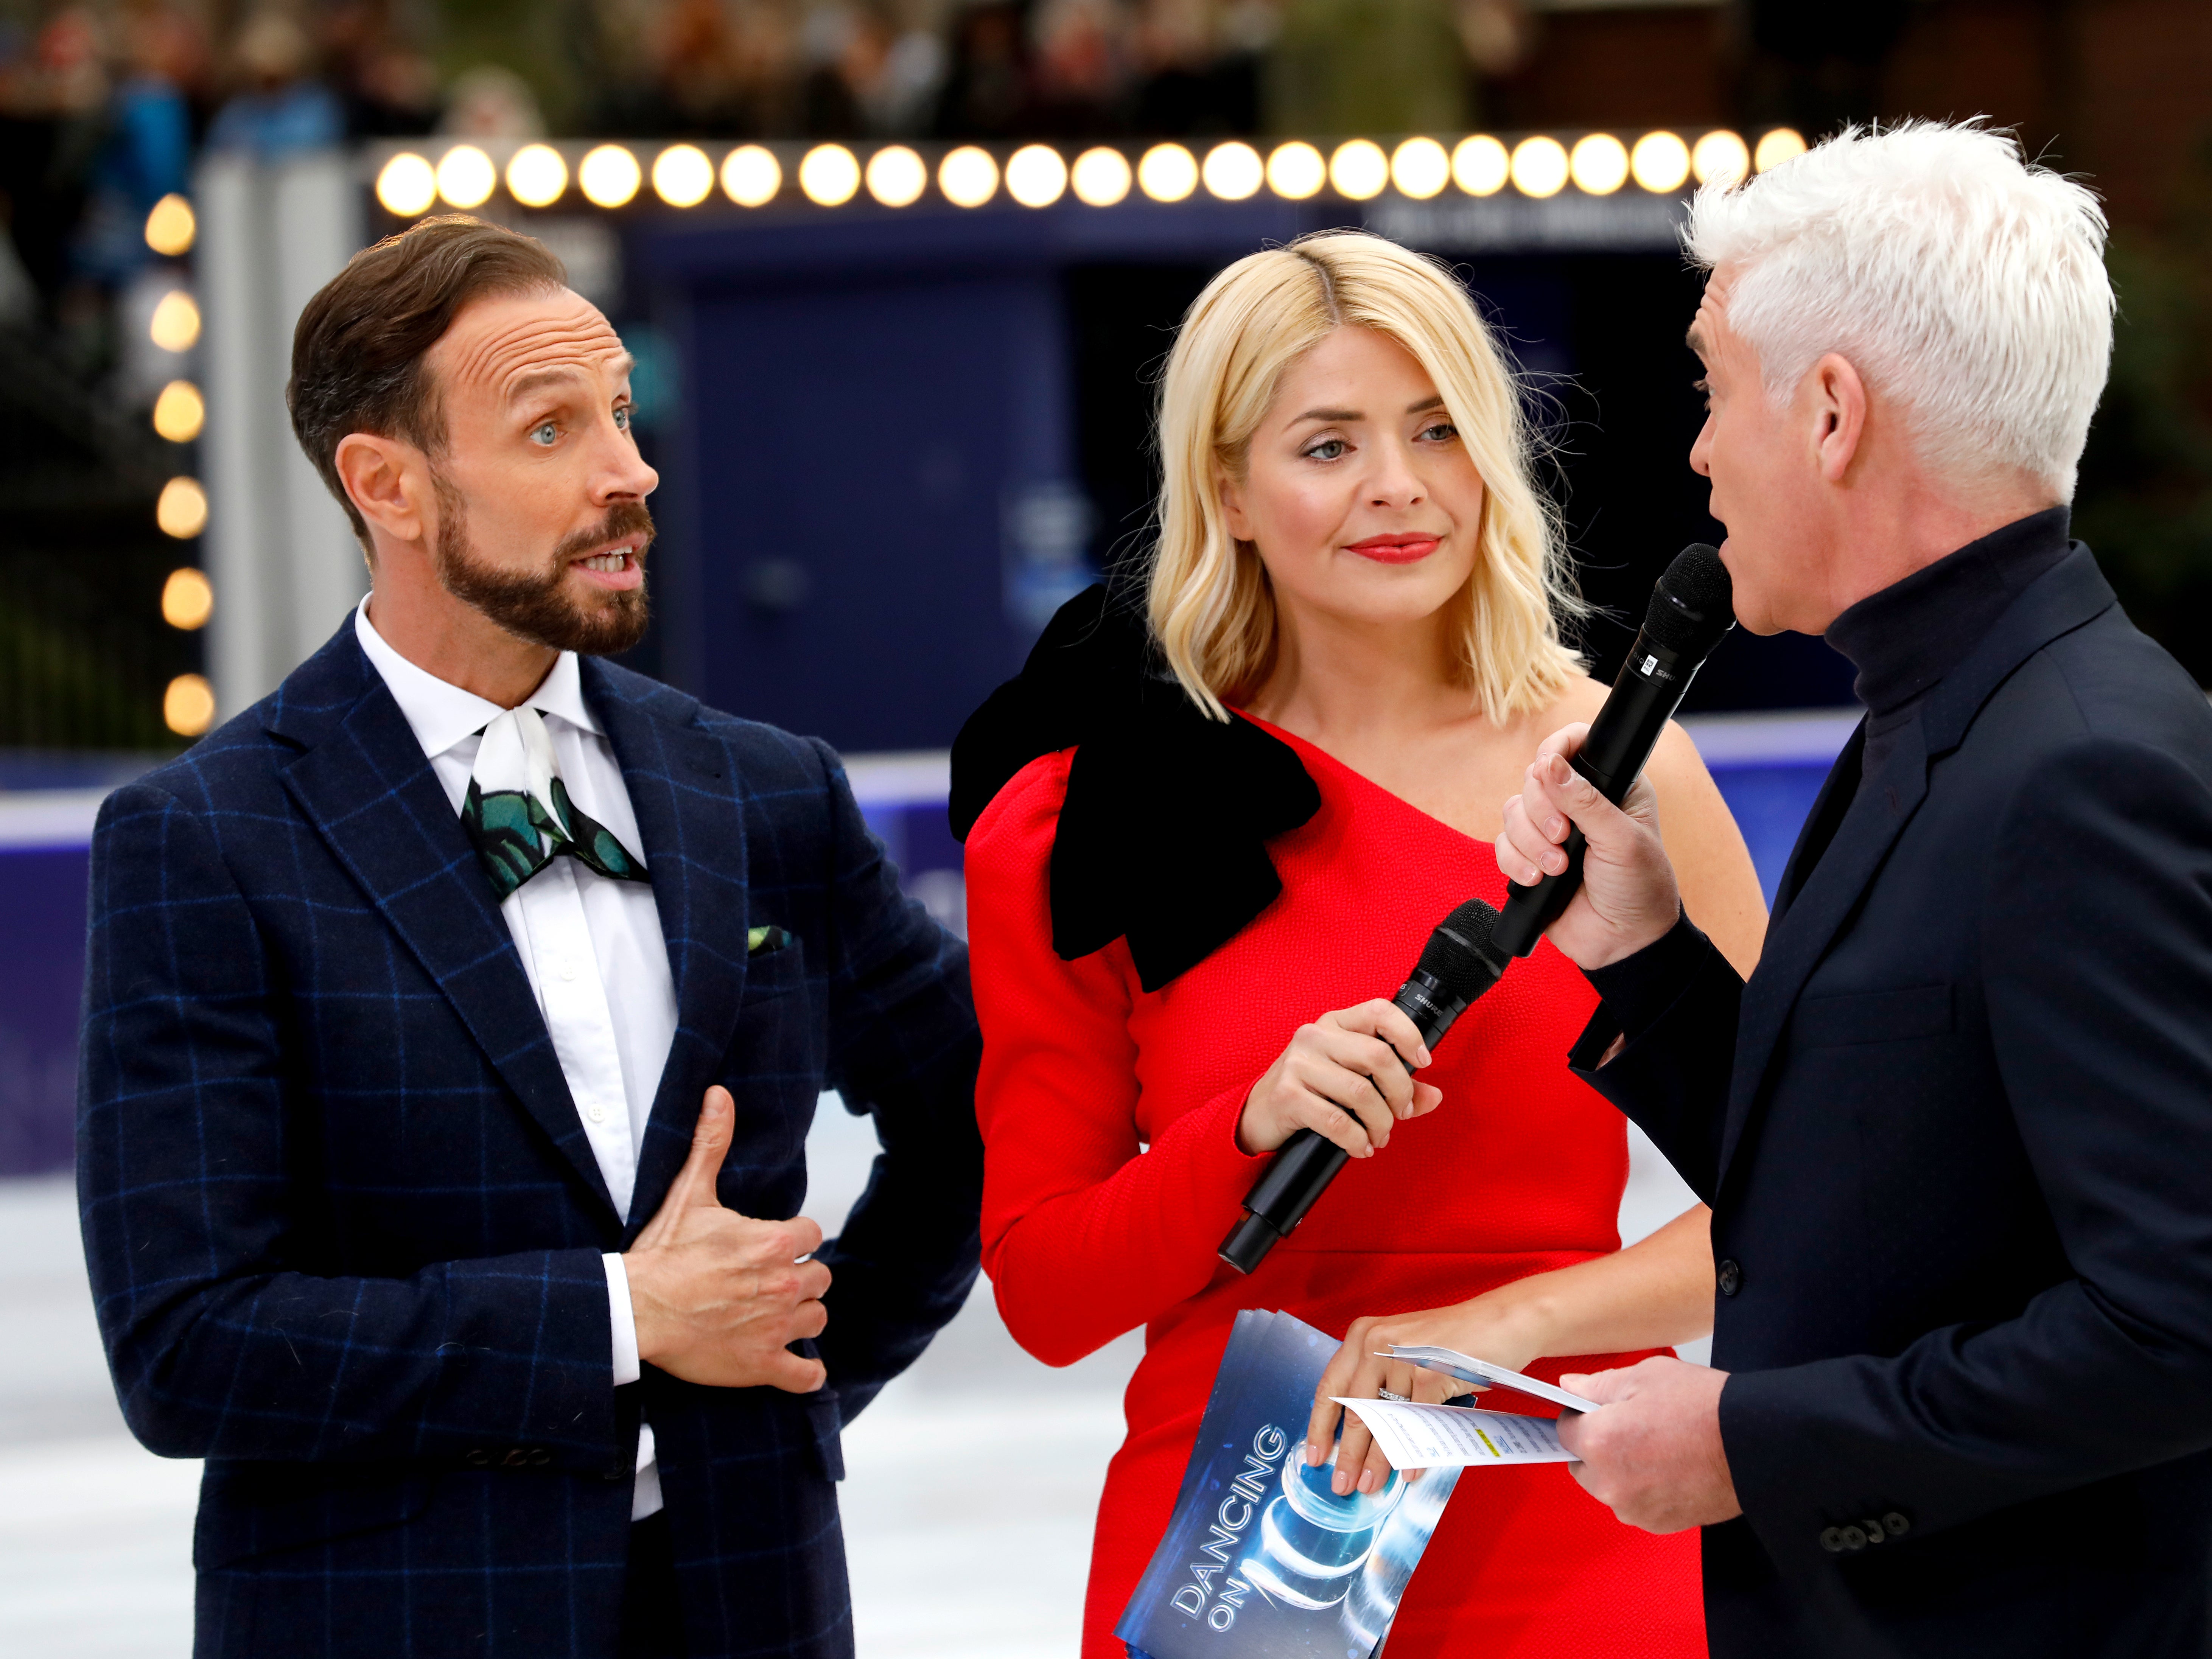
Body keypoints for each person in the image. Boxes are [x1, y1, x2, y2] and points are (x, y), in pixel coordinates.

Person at [76, 215, 983, 1659]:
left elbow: (976, 1113)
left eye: (622, 412)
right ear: (389, 485)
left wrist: (789, 1378)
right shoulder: (205, 837)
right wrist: (624, 1318)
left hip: (751, 1601)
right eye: (552, 427)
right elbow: (187, 1344)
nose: (629, 470)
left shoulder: (765, 789)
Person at [950, 228, 1769, 1657]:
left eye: (1439, 430)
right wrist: (1246, 1125)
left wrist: (1512, 1322)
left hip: (1578, 1515)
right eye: (1328, 444)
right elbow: (1043, 1292)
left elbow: (1801, 1198)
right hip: (1234, 1552)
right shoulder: (1078, 816)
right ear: (1228, 490)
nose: (1399, 484)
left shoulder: (1622, 772)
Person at [1497, 122, 2212, 1656]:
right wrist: (1646, 958)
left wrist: (1754, 1442)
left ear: (1829, 413)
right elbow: (1893, 1192)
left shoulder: (2081, 766)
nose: (1696, 449)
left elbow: (2181, 1325)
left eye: (1710, 386)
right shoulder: (1943, 718)